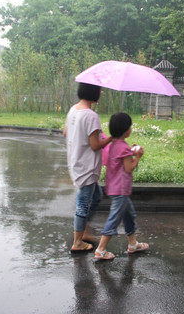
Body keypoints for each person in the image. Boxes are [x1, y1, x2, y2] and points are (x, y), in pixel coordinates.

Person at [94, 112, 150, 260]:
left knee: (128, 215)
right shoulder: (124, 148)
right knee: (114, 218)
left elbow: (119, 162)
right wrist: (137, 157)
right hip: (121, 190)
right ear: (126, 130)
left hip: (113, 187)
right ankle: (101, 249)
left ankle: (133, 244)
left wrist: (130, 153)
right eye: (130, 126)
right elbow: (129, 168)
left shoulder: (113, 146)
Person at [64, 83, 112, 253]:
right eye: (99, 90)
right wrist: (111, 137)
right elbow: (95, 145)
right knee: (83, 204)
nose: (101, 92)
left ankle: (84, 231)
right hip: (87, 167)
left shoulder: (73, 110)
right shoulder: (91, 116)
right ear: (93, 92)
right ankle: (78, 242)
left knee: (96, 196)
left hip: (76, 162)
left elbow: (65, 132)